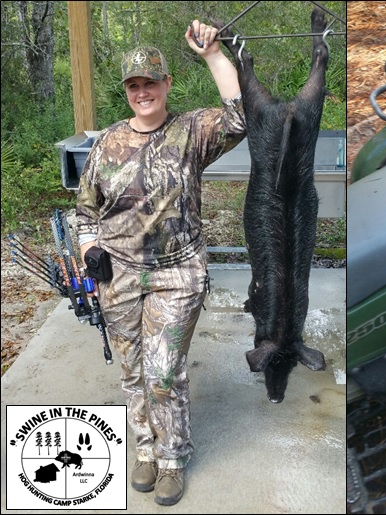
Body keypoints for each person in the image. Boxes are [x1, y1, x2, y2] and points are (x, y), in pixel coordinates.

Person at [75, 20, 245, 506]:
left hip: (178, 273)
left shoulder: (192, 130)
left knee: (163, 370)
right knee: (132, 372)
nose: (143, 91)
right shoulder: (106, 142)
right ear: (126, 91)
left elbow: (241, 117)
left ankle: (172, 458)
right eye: (134, 85)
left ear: (167, 84)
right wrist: (89, 250)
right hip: (118, 275)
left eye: (151, 82)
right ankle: (145, 450)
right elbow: (85, 209)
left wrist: (213, 54)